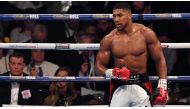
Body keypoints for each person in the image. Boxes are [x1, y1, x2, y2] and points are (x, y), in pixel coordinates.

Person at [95, 2, 168, 107]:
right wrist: (111, 73)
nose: (116, 19)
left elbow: (159, 59)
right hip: (119, 86)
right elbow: (98, 66)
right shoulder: (109, 39)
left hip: (141, 84)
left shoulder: (146, 33)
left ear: (130, 16)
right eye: (114, 16)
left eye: (120, 15)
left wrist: (162, 86)